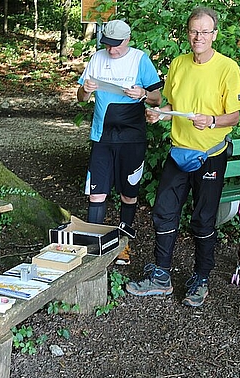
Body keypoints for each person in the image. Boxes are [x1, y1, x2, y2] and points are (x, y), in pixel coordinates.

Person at [126, 7, 240, 307]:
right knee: (164, 212)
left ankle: (201, 279)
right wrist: (159, 114)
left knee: (203, 220)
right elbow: (170, 105)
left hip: (211, 155)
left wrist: (213, 122)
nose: (199, 37)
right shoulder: (178, 65)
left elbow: (234, 117)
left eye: (205, 31)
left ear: (214, 34)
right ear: (188, 34)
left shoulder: (228, 68)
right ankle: (161, 276)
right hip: (179, 153)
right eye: (194, 31)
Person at [77, 19, 163, 265]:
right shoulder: (97, 58)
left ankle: (123, 244)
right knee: (97, 193)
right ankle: (94, 246)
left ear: (127, 40)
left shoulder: (140, 59)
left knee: (129, 194)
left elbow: (157, 98)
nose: (111, 50)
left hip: (132, 136)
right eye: (108, 45)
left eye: (116, 45)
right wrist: (87, 90)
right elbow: (81, 97)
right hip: (102, 136)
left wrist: (143, 94)